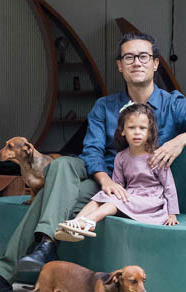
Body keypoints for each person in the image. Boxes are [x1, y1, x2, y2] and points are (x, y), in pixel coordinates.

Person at [0, 31, 186, 292]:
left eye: (143, 56)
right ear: (119, 65)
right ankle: (43, 246)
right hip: (102, 176)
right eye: (129, 57)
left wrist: (180, 141)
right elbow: (91, 151)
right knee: (61, 165)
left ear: (156, 63)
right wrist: (106, 181)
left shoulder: (173, 105)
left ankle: (8, 269)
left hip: (136, 187)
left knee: (47, 195)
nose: (136, 62)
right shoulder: (104, 106)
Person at [54, 101, 178, 241]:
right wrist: (110, 194)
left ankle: (89, 221)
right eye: (131, 127)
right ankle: (75, 224)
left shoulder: (156, 157)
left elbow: (169, 186)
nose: (137, 132)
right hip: (130, 195)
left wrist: (172, 213)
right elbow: (117, 185)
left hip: (150, 200)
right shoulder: (121, 157)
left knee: (113, 202)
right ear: (123, 131)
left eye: (142, 128)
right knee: (102, 196)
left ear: (149, 132)